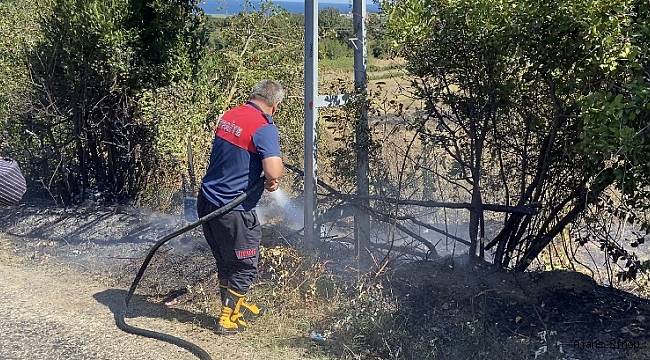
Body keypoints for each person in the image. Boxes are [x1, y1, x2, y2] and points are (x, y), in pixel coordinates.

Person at [197, 80, 284, 334]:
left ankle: (236, 305)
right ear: (275, 105)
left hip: (208, 202)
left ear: (253, 95)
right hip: (232, 209)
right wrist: (272, 176)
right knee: (245, 267)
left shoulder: (231, 115)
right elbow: (274, 169)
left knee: (226, 262)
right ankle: (227, 318)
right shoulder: (264, 127)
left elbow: (236, 160)